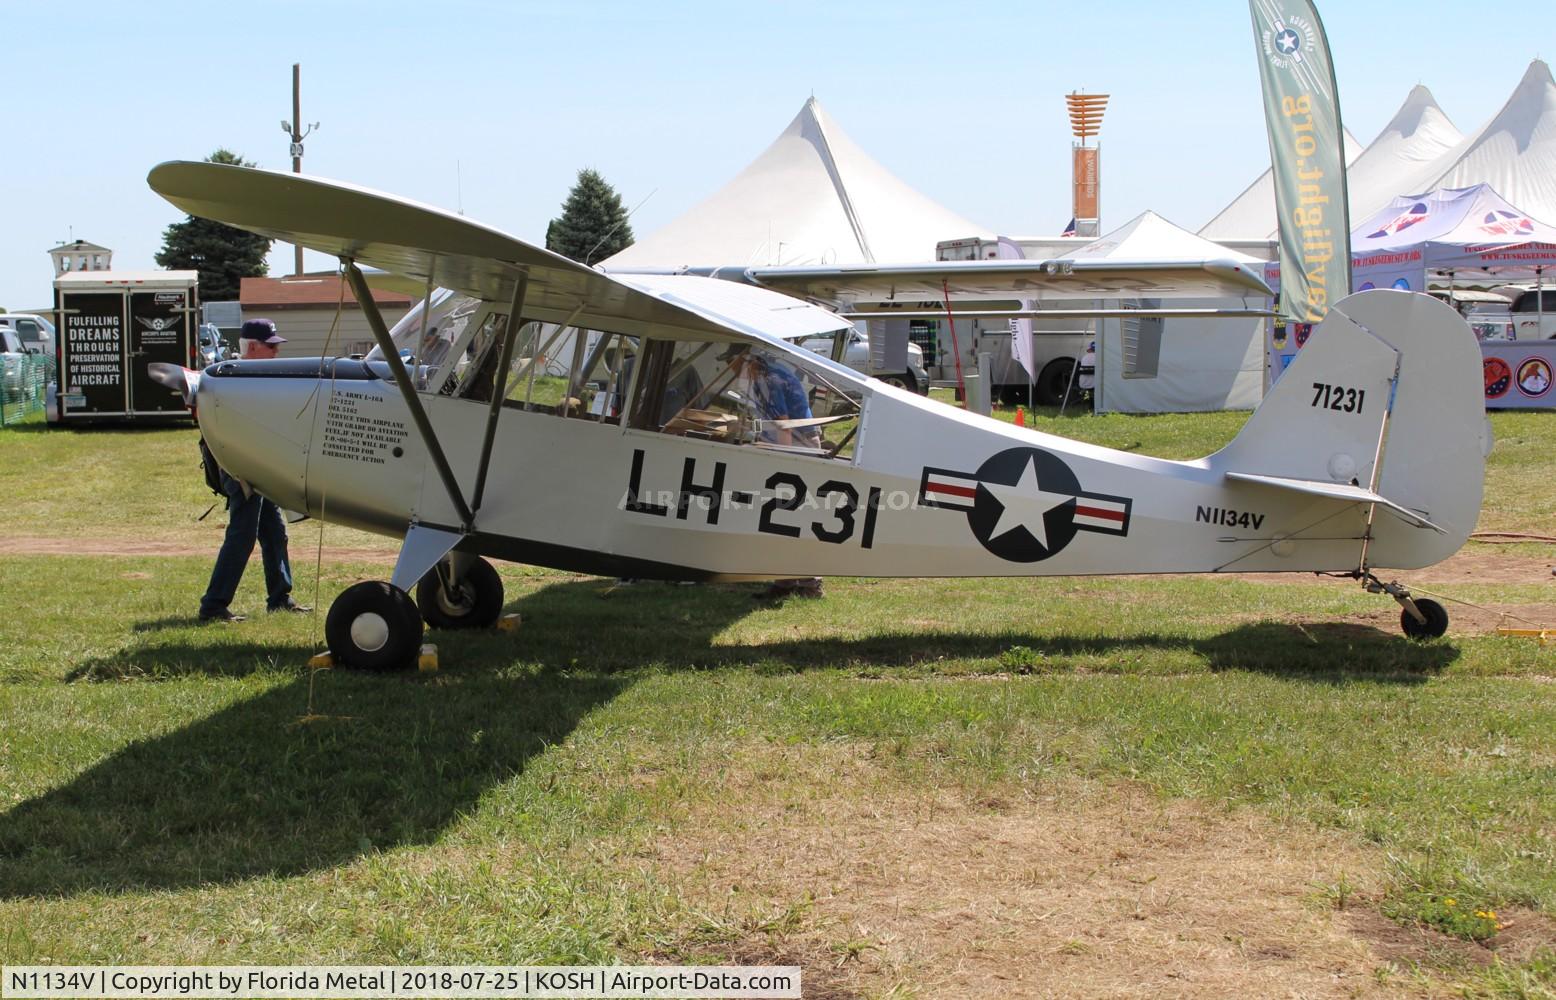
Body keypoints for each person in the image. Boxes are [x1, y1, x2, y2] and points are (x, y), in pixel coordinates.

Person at [197, 319, 311, 622]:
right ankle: (213, 605)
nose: (275, 352)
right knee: (241, 537)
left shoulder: (256, 376)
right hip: (241, 470)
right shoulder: (230, 378)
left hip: (262, 466)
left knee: (275, 533)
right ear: (251, 347)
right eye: (270, 346)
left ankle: (280, 597)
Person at [718, 345, 825, 601]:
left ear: (747, 360)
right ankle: (786, 582)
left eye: (732, 362)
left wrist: (781, 464)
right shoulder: (763, 377)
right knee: (780, 517)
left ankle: (810, 582)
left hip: (798, 443)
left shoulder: (768, 379)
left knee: (795, 514)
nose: (729, 369)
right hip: (791, 440)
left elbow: (783, 427)